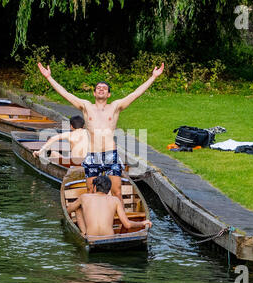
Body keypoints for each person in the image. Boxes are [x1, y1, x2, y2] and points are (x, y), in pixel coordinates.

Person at [38, 61, 164, 204]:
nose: (101, 89)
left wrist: (153, 77)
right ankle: (93, 218)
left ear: (109, 94)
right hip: (92, 155)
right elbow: (65, 94)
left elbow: (135, 94)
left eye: (104, 88)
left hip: (111, 154)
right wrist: (49, 77)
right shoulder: (86, 106)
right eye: (98, 88)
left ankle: (121, 222)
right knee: (91, 191)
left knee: (117, 192)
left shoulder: (115, 107)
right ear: (94, 93)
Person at [66, 175, 152, 237]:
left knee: (77, 208)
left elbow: (68, 210)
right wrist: (142, 223)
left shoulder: (84, 197)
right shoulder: (115, 200)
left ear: (95, 187)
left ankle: (84, 234)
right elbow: (127, 225)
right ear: (108, 189)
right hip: (109, 238)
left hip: (91, 238)